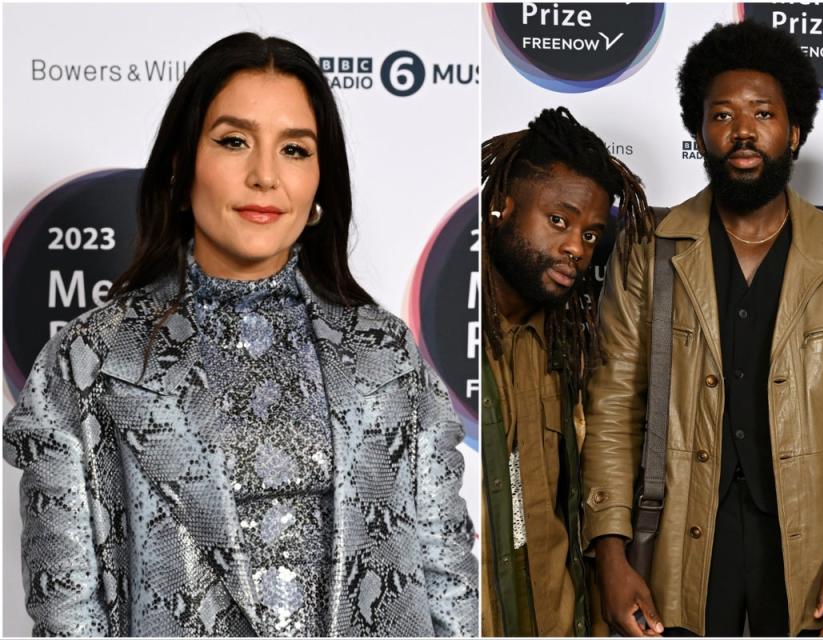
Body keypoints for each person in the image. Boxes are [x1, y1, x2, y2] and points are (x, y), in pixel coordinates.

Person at [3, 32, 477, 638]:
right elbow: (67, 616)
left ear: (319, 182)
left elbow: (449, 584)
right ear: (181, 163)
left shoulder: (384, 353)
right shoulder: (87, 364)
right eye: (234, 142)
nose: (265, 176)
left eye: (296, 150)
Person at [581, 21, 823, 637]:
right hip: (677, 547)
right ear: (700, 131)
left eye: (763, 113)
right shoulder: (653, 248)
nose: (744, 131)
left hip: (809, 546)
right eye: (723, 115)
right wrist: (612, 552)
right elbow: (615, 401)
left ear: (796, 130)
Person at [480, 107, 653, 636]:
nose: (577, 248)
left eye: (592, 235)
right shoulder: (442, 342)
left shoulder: (567, 350)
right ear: (501, 206)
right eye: (559, 220)